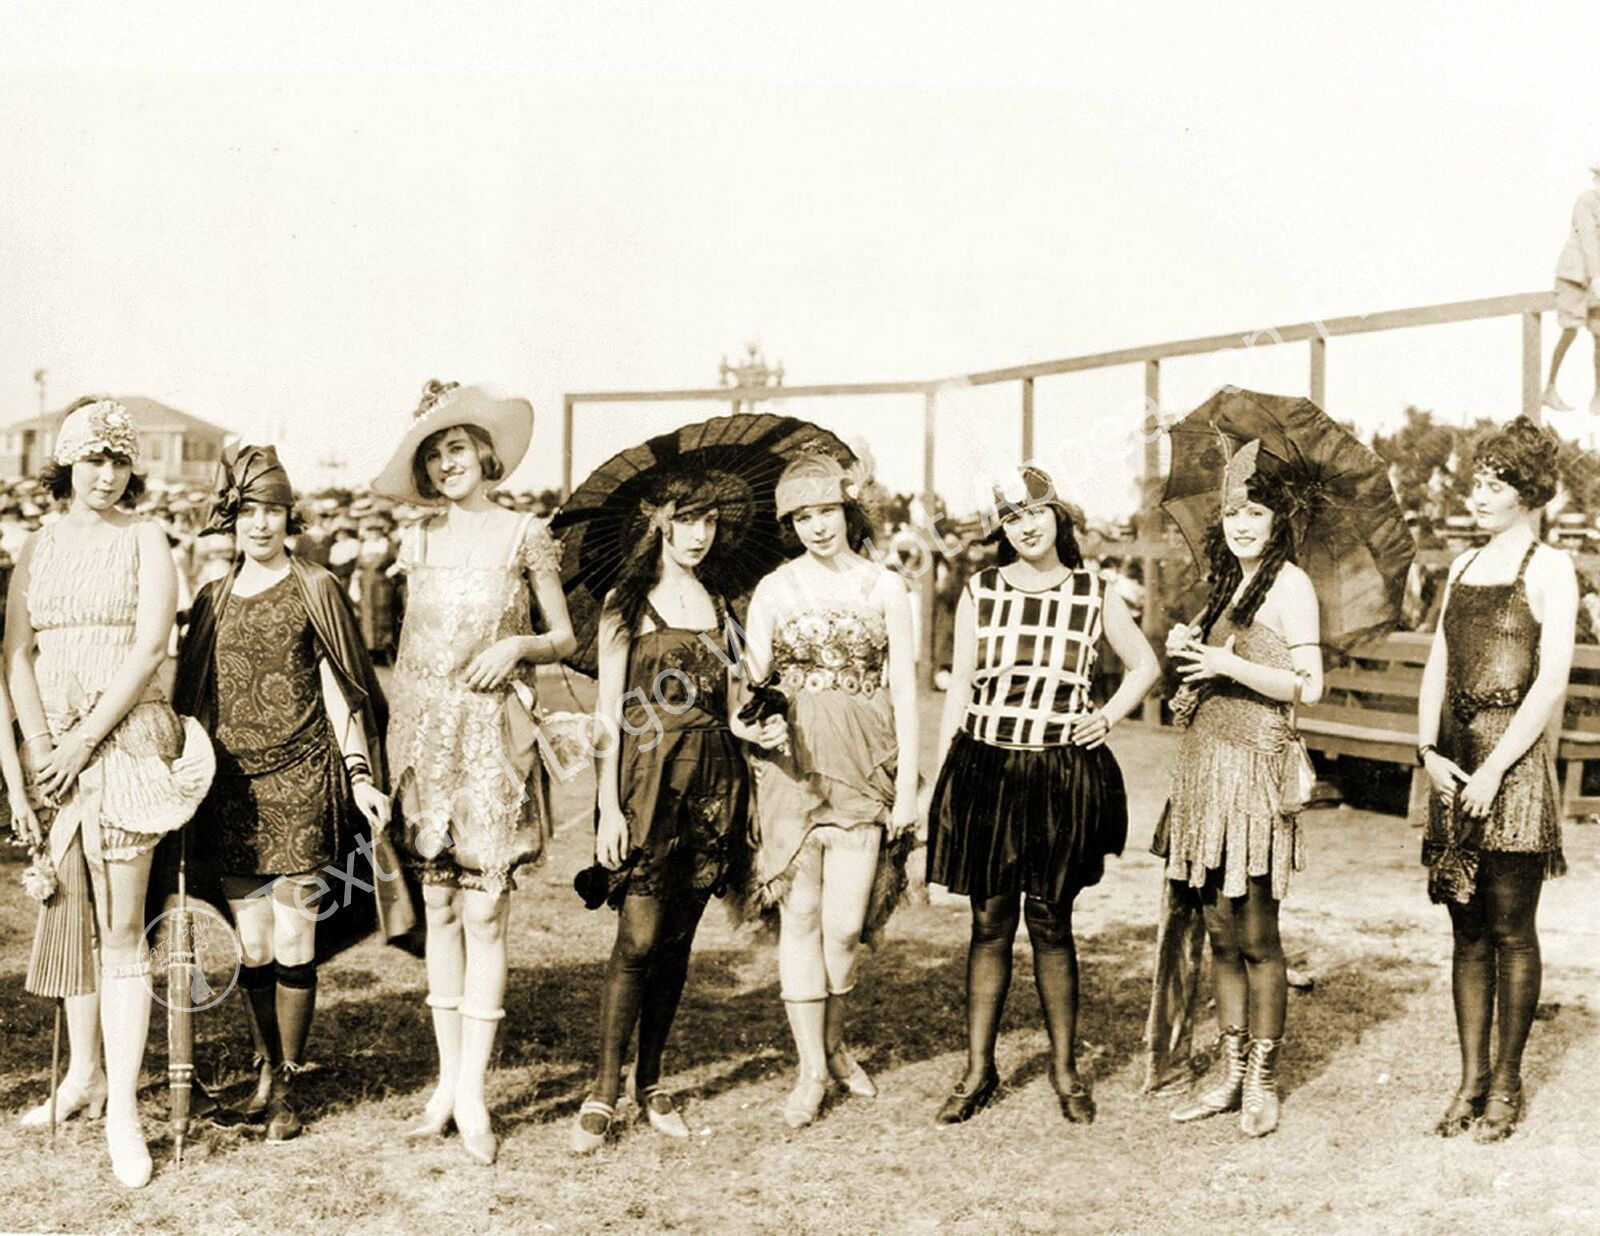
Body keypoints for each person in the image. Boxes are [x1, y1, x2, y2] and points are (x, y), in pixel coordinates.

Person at [5, 397, 213, 1188]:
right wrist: (42, 748)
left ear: (132, 469)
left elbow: (152, 643)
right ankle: (81, 1077)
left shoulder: (147, 537)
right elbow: (16, 652)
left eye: (118, 460)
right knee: (71, 919)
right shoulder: (38, 545)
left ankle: (123, 1109)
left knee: (124, 931)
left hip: (123, 741)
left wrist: (87, 739)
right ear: (67, 465)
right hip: (54, 750)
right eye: (91, 459)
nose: (105, 474)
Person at [374, 380, 575, 1166]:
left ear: (484, 454)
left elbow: (562, 634)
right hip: (423, 739)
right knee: (441, 909)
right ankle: (445, 1083)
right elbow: (408, 652)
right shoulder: (416, 543)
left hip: (492, 738)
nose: (446, 463)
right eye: (433, 454)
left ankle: (475, 1093)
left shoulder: (525, 535)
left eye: (456, 447)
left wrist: (515, 648)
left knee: (486, 912)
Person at [925, 467, 1159, 1124]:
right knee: (989, 921)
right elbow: (962, 688)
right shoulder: (981, 591)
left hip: (1058, 774)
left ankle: (1064, 1069)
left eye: (1037, 512)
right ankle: (978, 1070)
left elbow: (1146, 665)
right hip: (988, 769)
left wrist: (1106, 715)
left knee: (1051, 921)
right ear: (1001, 528)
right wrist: (940, 781)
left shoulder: (1093, 591)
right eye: (1012, 516)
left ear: (1059, 516)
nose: (1026, 526)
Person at [172, 445, 391, 1142]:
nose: (260, 525)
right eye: (248, 512)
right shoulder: (210, 598)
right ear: (230, 519)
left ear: (288, 519)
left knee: (296, 931)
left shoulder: (316, 585)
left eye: (272, 512)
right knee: (254, 942)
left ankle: (289, 1083)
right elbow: (194, 702)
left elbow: (343, 693)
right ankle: (268, 1067)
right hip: (231, 789)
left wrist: (360, 777)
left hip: (302, 778)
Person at [569, 473, 752, 1153]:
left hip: (713, 783)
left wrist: (759, 718)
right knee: (638, 940)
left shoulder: (724, 604)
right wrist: (608, 809)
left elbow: (734, 704)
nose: (699, 534)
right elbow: (607, 717)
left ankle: (651, 1082)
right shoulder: (628, 603)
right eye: (687, 520)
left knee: (677, 942)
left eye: (708, 521)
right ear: (661, 524)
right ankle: (601, 1090)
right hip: (644, 784)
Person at [740, 453, 919, 1129]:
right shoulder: (774, 589)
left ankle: (836, 1041)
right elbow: (754, 682)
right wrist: (744, 719)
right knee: (802, 917)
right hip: (791, 767)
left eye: (826, 511)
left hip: (866, 759)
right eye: (802, 516)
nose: (817, 527)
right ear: (791, 523)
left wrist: (907, 791)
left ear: (848, 510)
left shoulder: (885, 587)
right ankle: (812, 1068)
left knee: (846, 926)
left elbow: (905, 685)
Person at [1159, 437, 1323, 1139]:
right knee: (1218, 932)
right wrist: (1186, 653)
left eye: (1256, 510)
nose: (1243, 524)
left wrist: (1229, 663)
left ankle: (1261, 1078)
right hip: (1205, 768)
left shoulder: (1292, 585)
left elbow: (1308, 687)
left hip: (1256, 770)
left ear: (1278, 517)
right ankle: (1227, 1074)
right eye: (1232, 511)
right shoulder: (1224, 584)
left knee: (1258, 931)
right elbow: (1208, 676)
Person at [1416, 416, 1575, 1142]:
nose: (1477, 495)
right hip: (1454, 764)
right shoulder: (1458, 568)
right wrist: (1427, 751)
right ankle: (1469, 1079)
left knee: (1512, 930)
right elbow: (1438, 666)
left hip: (1510, 770)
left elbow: (1548, 683)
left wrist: (1495, 769)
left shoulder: (1549, 567)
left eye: (1494, 484)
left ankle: (1506, 1084)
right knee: (1465, 932)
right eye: (1476, 482)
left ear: (1527, 492)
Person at [1543, 157, 1600, 415]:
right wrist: (1597, 277)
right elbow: (1589, 240)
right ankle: (1550, 388)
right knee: (1570, 330)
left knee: (1599, 335)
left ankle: (1598, 396)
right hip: (1575, 277)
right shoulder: (1587, 201)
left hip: (1594, 281)